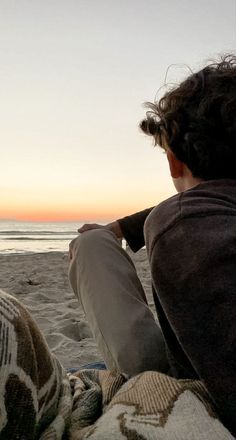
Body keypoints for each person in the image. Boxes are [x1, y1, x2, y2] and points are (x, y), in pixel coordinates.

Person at [69, 55, 236, 436]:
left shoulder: (184, 223)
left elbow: (190, 210)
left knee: (90, 246)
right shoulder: (192, 214)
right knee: (97, 240)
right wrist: (119, 227)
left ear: (174, 162)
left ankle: (136, 380)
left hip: (198, 400)